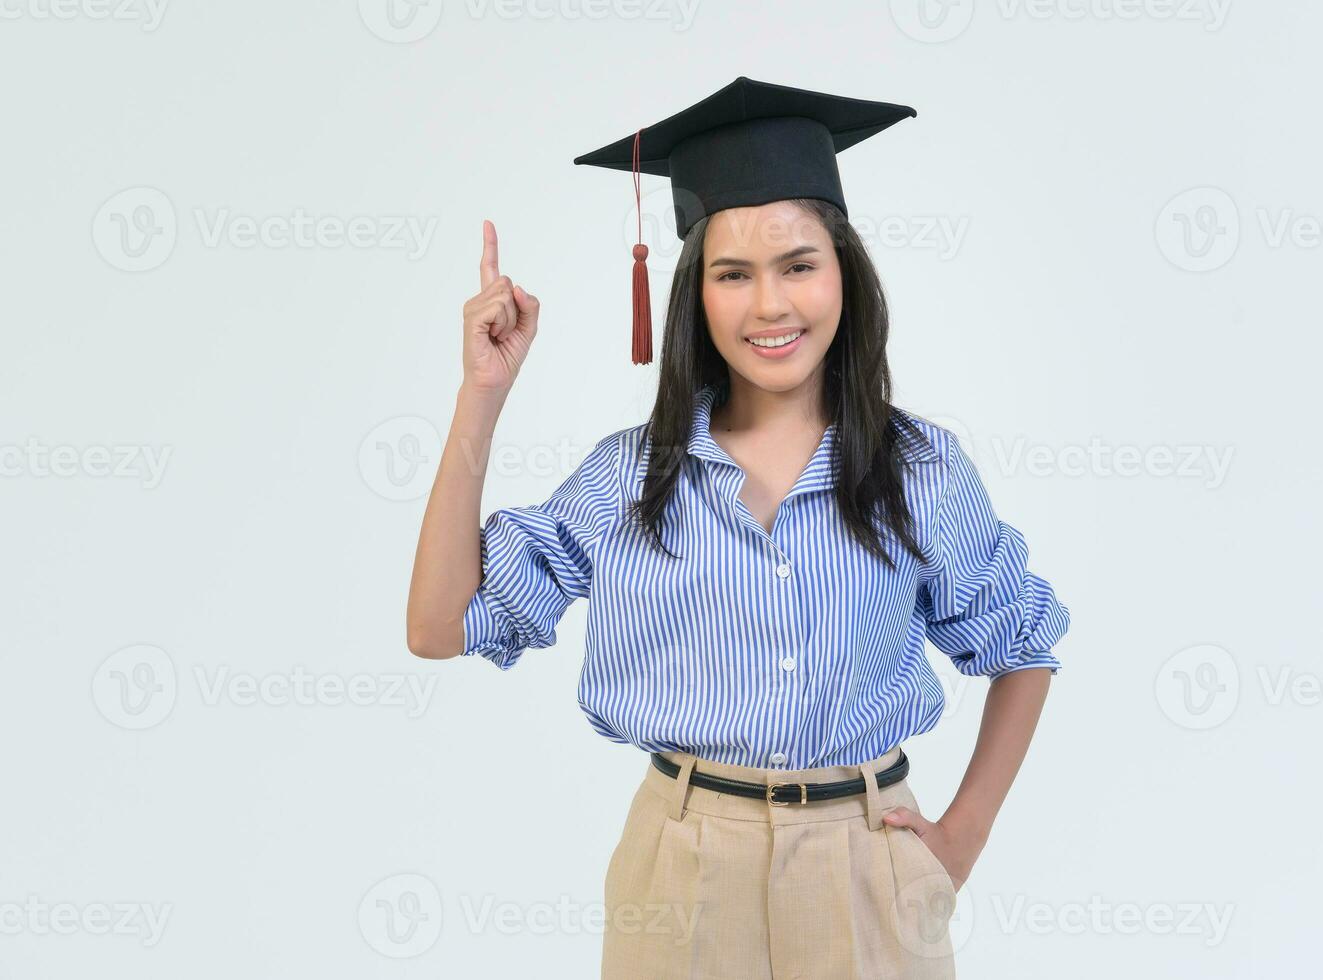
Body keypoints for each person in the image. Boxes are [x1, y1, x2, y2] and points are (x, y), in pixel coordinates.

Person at [406, 77, 1072, 979]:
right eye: (733, 274)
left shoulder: (919, 469)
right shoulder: (628, 478)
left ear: (844, 273)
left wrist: (959, 840)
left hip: (865, 862)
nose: (769, 306)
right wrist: (481, 397)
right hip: (680, 870)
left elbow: (1022, 644)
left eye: (798, 264)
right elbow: (440, 627)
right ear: (694, 293)